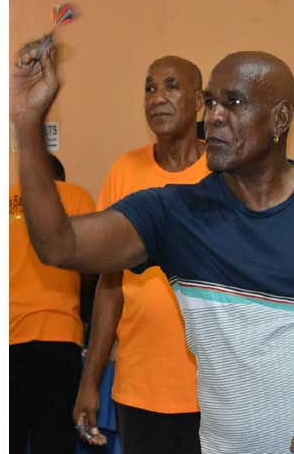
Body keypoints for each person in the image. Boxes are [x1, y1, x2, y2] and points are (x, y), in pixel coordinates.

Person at [11, 41, 294, 453]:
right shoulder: (176, 214)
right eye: (213, 102)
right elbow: (60, 246)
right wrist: (27, 121)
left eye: (233, 103)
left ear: (280, 118)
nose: (214, 117)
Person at [72, 56, 209, 454]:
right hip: (139, 389)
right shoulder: (125, 171)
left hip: (214, 391)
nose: (157, 98)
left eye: (171, 86)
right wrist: (90, 380)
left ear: (199, 100)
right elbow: (109, 284)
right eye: (149, 88)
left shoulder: (222, 175)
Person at [10, 155, 96, 454]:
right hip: (59, 336)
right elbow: (91, 266)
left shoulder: (7, 199)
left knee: (11, 439)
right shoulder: (77, 196)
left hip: (8, 339)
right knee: (54, 440)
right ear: (60, 178)